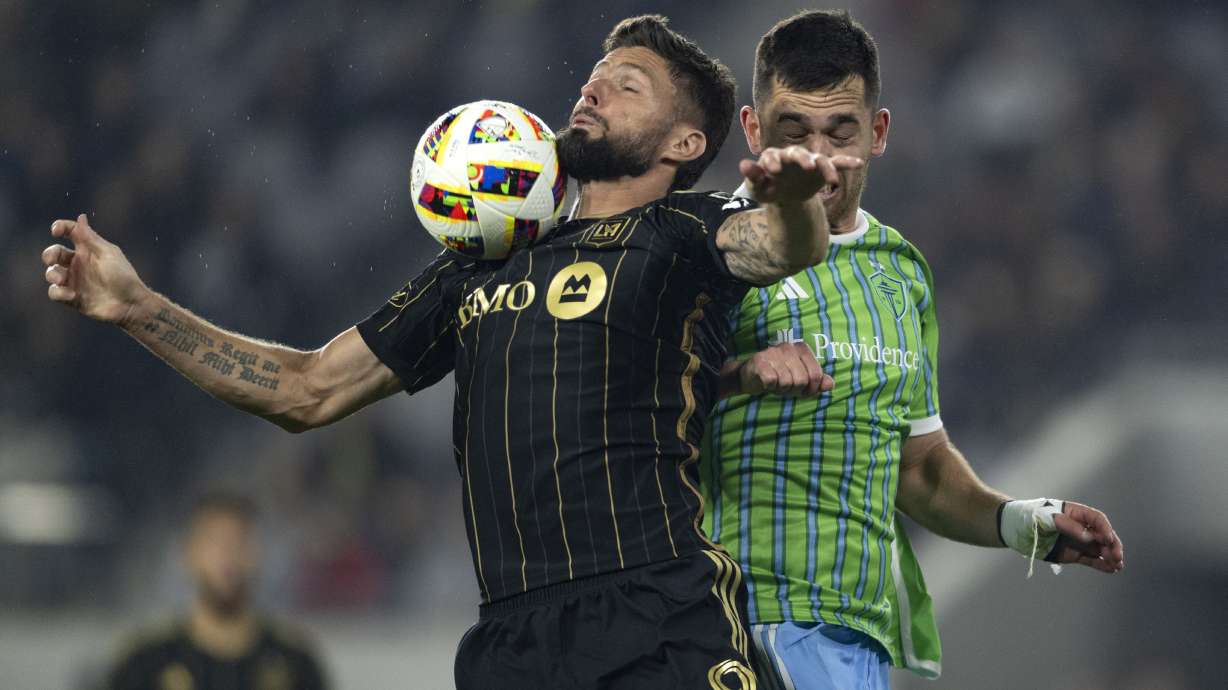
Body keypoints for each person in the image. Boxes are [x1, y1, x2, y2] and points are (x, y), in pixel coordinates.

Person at [43, 15, 863, 689]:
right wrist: (138, 308)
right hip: (512, 638)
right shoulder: (480, 259)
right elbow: (306, 389)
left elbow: (780, 247)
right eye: (594, 75)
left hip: (657, 611)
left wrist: (794, 201)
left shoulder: (683, 231)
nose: (592, 89)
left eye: (626, 84)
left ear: (684, 144)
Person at [700, 11, 1126, 690]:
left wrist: (1023, 522)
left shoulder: (900, 271)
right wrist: (741, 375)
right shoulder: (708, 250)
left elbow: (920, 470)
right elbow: (635, 405)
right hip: (736, 624)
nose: (819, 159)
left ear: (877, 133)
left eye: (840, 132)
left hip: (857, 634)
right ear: (753, 131)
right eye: (794, 133)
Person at [106, 492, 328, 690]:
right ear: (189, 553)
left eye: (240, 540)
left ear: (258, 553)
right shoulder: (146, 665)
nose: (227, 554)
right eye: (214, 540)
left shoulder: (295, 665)